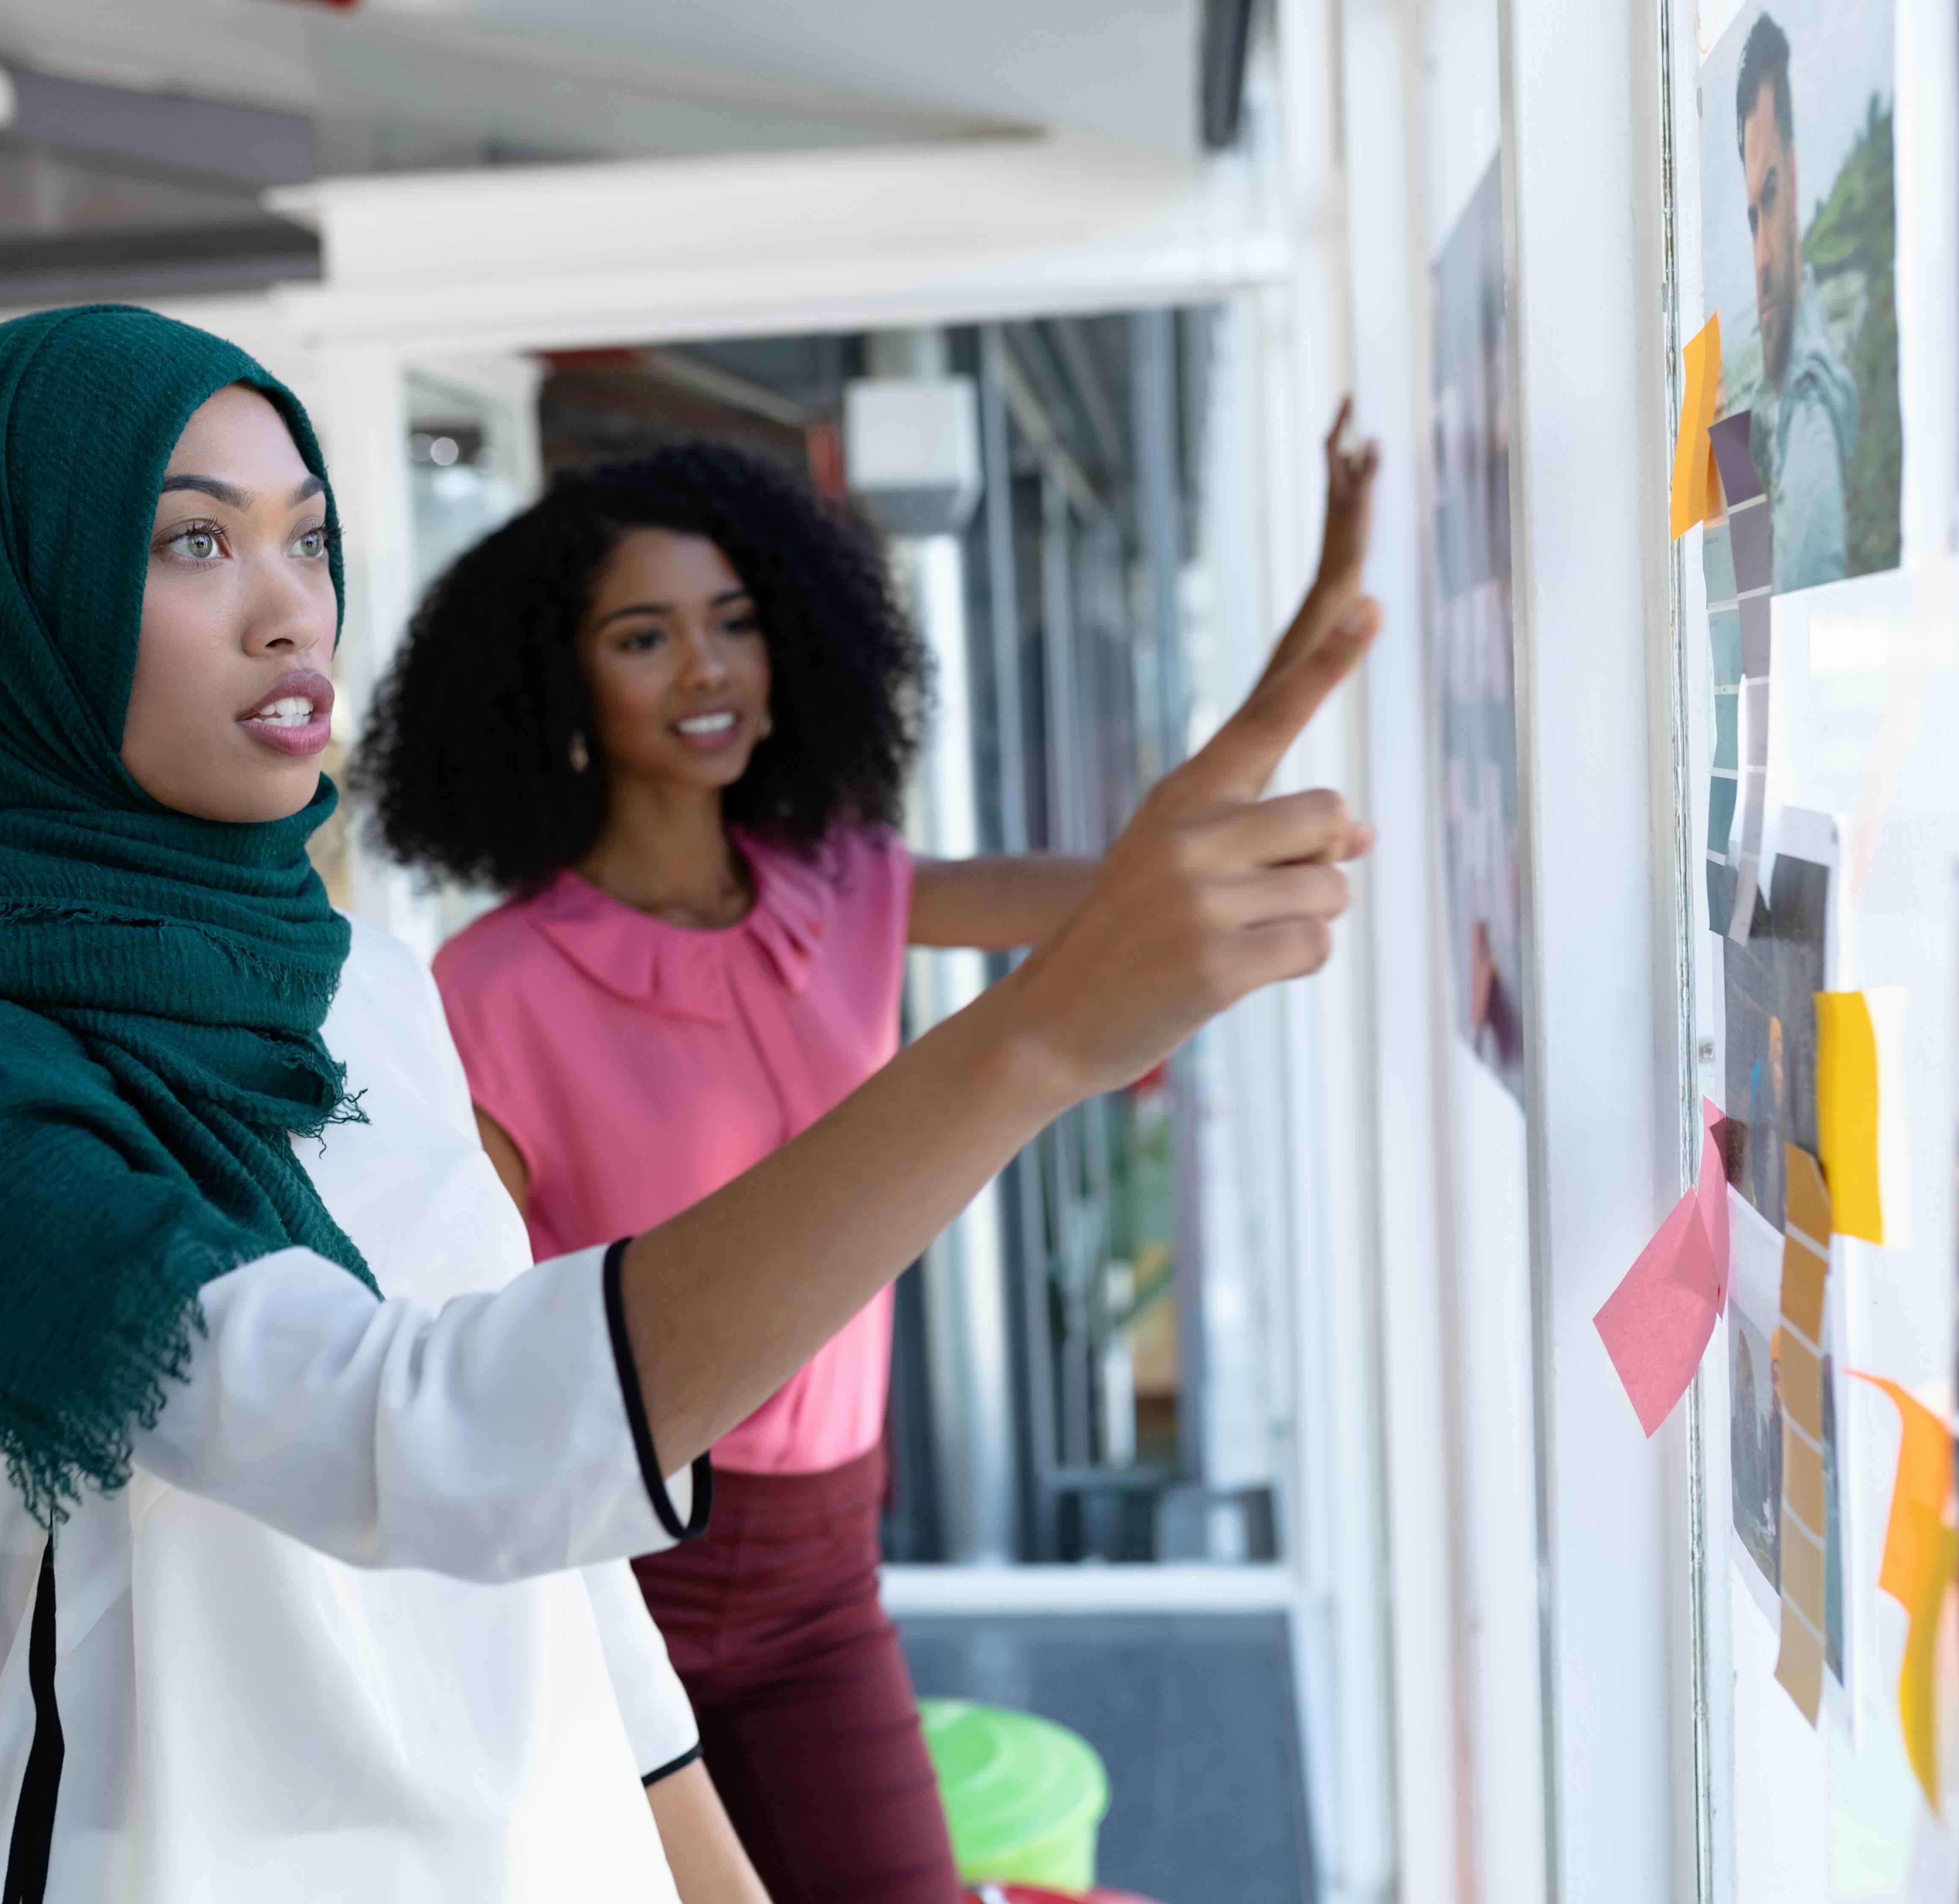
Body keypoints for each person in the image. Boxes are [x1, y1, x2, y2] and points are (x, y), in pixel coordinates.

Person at [0, 306, 1378, 1902]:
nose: (288, 605)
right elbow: (416, 1434)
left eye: (305, 536)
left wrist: (707, 1870)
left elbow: (545, 1564)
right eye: (193, 541)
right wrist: (1038, 1044)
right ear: (7, 593)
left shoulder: (359, 976)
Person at [366, 418, 1380, 1904]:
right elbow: (485, 1358)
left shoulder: (849, 890)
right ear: (560, 684)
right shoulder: (493, 989)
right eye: (645, 637)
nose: (708, 669)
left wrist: (1326, 604)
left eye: (736, 624)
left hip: (828, 1569)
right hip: (608, 1572)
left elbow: (1140, 893)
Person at [1734, 13, 1858, 592]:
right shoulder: (1790, 398)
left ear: (1798, 174)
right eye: (1749, 218)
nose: (1760, 256)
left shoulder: (1809, 416)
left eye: (1772, 196)